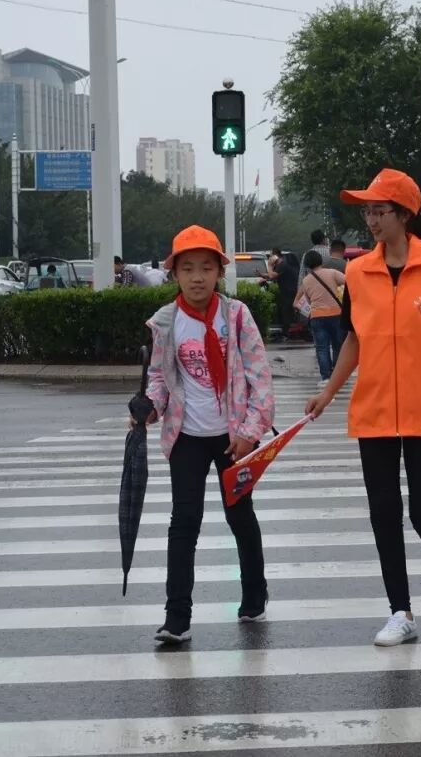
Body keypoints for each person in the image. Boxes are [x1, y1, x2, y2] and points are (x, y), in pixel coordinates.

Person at [306, 168, 421, 647]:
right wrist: (328, 393)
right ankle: (400, 611)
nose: (371, 219)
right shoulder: (357, 272)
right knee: (383, 511)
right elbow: (353, 339)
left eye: (379, 211)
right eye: (367, 211)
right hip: (374, 409)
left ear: (405, 214)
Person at [141, 225, 275, 645]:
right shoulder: (167, 321)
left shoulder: (236, 316)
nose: (197, 277)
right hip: (187, 436)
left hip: (234, 439)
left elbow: (260, 379)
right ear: (175, 274)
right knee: (184, 522)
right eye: (187, 268)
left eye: (205, 267)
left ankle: (254, 594)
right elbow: (160, 378)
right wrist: (148, 407)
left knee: (240, 517)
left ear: (219, 271)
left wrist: (250, 432)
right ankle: (176, 617)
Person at [295, 249, 346, 385]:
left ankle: (326, 377)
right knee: (338, 345)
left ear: (307, 265)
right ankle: (337, 375)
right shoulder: (332, 273)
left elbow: (307, 300)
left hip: (317, 316)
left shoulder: (306, 281)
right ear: (321, 261)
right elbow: (348, 281)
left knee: (322, 348)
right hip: (336, 314)